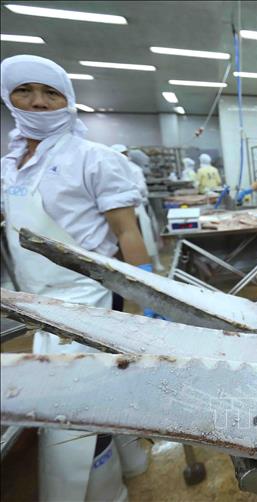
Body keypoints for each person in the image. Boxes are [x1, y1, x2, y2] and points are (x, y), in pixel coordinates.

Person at [1, 55, 155, 501]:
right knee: (104, 388)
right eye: (25, 90)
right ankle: (132, 459)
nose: (38, 102)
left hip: (89, 297)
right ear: (7, 96)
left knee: (74, 411)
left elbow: (127, 233)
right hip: (39, 299)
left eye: (51, 93)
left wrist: (148, 297)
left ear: (67, 100)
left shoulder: (92, 158)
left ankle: (105, 492)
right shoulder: (11, 164)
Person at [111, 144, 163, 272]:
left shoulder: (134, 169)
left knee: (147, 235)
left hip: (138, 206)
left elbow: (142, 189)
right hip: (118, 208)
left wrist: (126, 194)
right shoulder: (111, 170)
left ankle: (154, 263)